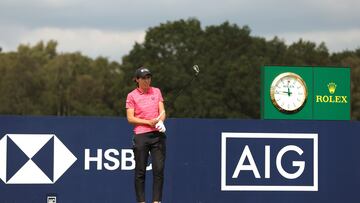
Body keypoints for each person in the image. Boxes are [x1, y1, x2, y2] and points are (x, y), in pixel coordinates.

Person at [126, 67, 167, 203]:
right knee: (140, 171)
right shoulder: (132, 95)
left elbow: (162, 112)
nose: (147, 80)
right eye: (143, 78)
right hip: (141, 136)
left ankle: (157, 201)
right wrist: (147, 122)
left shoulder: (157, 91)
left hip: (157, 136)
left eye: (148, 77)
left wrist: (161, 122)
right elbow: (130, 118)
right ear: (137, 80)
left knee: (159, 170)